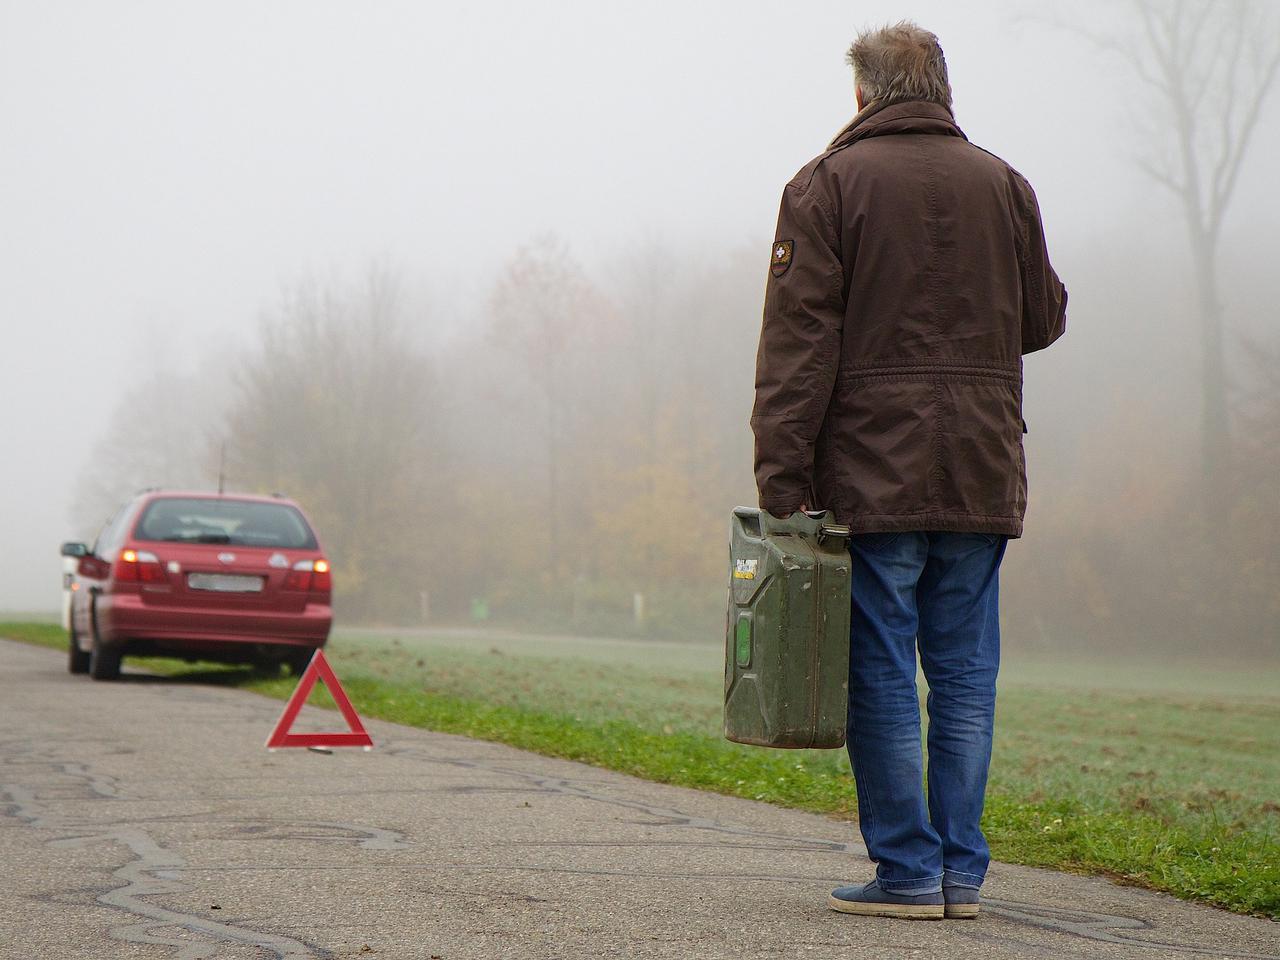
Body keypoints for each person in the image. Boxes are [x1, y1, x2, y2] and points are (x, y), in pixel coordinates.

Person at [751, 21, 1066, 920]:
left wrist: (783, 481)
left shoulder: (824, 186)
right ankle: (961, 876)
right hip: (979, 463)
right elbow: (1041, 319)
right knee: (965, 676)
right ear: (940, 88)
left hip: (874, 471)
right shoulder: (1005, 185)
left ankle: (907, 872)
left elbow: (797, 349)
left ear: (862, 95)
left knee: (884, 673)